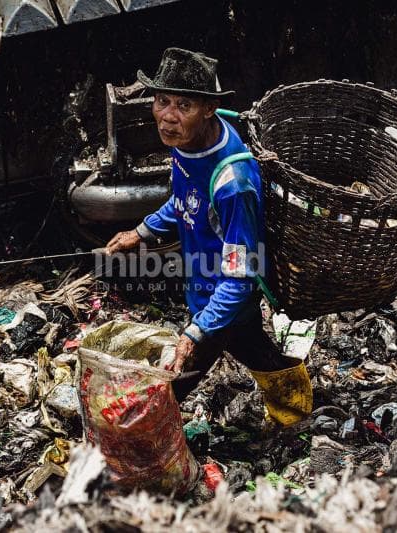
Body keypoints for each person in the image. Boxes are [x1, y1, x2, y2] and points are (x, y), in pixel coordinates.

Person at [105, 48, 312, 426]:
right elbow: (187, 201)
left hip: (224, 298)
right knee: (255, 350)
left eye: (183, 105)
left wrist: (197, 332)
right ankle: (297, 414)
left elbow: (241, 274)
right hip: (204, 287)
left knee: (173, 383)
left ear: (209, 109)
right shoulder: (188, 144)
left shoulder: (234, 184)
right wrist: (142, 231)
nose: (168, 116)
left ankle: (137, 439)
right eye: (162, 101)